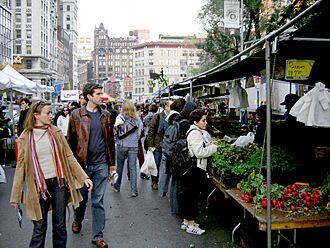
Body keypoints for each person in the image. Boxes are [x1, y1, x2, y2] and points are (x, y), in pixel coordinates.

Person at [9, 100, 93, 248]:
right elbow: (21, 167)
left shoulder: (55, 132)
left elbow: (68, 156)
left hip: (59, 183)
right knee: (39, 228)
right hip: (37, 187)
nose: (51, 115)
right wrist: (15, 196)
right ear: (36, 115)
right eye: (48, 113)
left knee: (60, 226)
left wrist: (83, 177)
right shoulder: (25, 137)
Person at [67, 83, 116, 248]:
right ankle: (77, 219)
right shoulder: (76, 115)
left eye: (101, 93)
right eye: (98, 94)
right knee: (81, 200)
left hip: (101, 163)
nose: (101, 97)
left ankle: (98, 236)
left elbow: (110, 141)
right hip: (82, 165)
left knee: (97, 201)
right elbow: (70, 141)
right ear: (89, 96)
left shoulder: (106, 115)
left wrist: (112, 164)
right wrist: (71, 166)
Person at [181, 109, 218, 235]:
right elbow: (199, 153)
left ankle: (187, 221)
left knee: (190, 195)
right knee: (192, 196)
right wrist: (213, 148)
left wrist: (208, 145)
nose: (206, 122)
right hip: (195, 169)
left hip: (193, 168)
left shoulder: (195, 132)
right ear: (196, 122)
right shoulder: (195, 133)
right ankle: (191, 224)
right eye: (203, 120)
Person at [113, 100, 143, 197]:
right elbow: (140, 133)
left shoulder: (120, 117)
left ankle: (117, 186)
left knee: (120, 167)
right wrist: (134, 139)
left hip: (121, 145)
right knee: (133, 168)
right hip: (133, 145)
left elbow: (115, 131)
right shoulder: (137, 119)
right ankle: (134, 190)